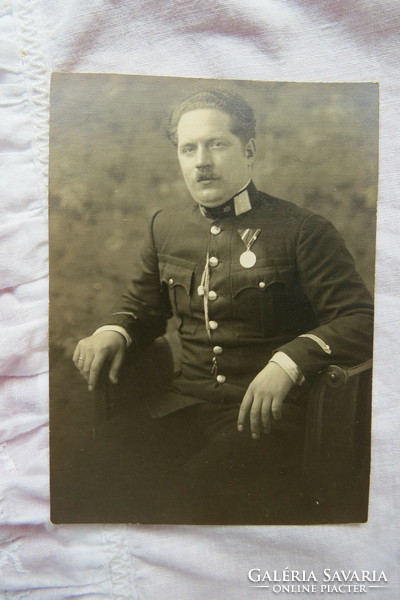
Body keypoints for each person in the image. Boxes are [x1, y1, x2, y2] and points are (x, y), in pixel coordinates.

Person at [73, 89, 373, 524]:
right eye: (188, 148)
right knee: (94, 468)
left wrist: (289, 362)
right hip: (184, 404)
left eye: (216, 144)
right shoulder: (166, 227)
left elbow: (360, 317)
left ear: (248, 150)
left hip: (267, 418)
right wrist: (112, 332)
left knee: (193, 495)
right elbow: (142, 307)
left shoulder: (302, 230)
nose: (202, 161)